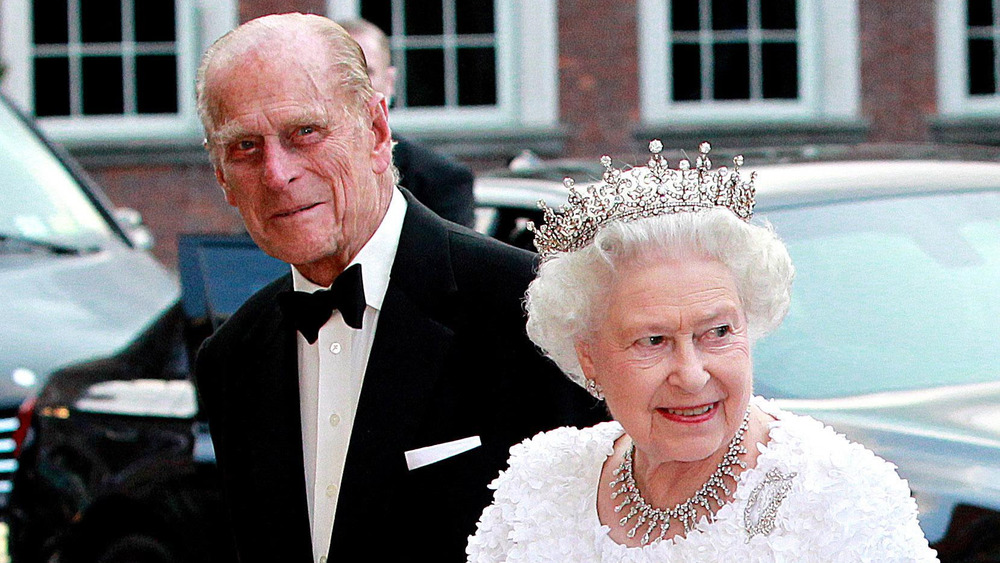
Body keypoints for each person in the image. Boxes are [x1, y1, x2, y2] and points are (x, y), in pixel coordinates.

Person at [193, 13, 601, 563]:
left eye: (304, 133)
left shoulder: (529, 311)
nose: (276, 173)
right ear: (221, 176)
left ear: (377, 132)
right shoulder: (232, 360)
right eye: (244, 147)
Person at [466, 141, 939, 561]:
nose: (691, 375)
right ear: (589, 356)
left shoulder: (839, 497)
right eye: (652, 341)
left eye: (716, 332)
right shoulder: (543, 483)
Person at [339, 18, 477, 228]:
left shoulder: (440, 182)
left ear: (390, 82)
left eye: (365, 73)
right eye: (340, 74)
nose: (352, 86)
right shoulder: (285, 172)